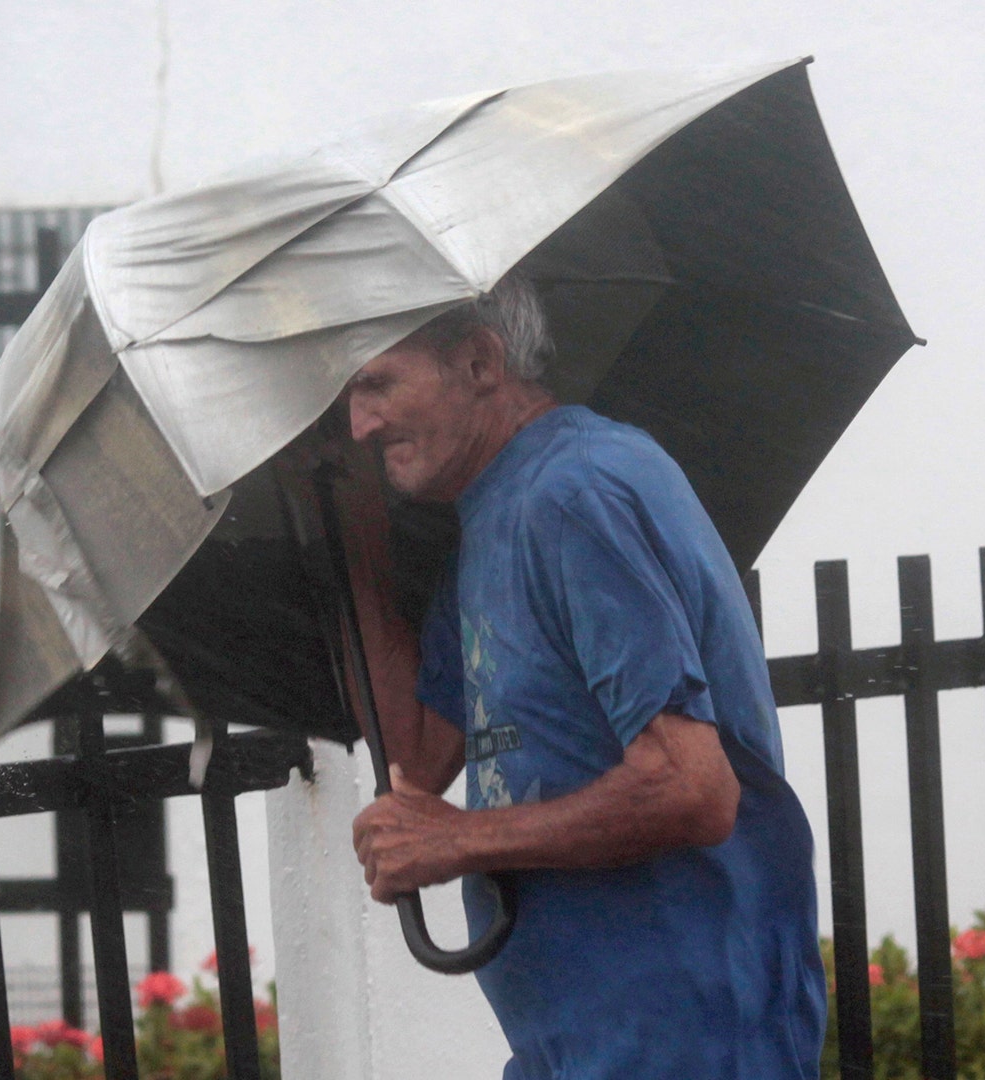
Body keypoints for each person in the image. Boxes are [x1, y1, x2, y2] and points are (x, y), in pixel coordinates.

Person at [339, 273, 827, 1079]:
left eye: (377, 384)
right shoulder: (494, 517)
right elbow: (418, 761)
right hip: (579, 1043)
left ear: (479, 363)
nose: (358, 424)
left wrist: (460, 840)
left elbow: (692, 788)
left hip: (682, 1037)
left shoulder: (575, 492)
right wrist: (351, 530)